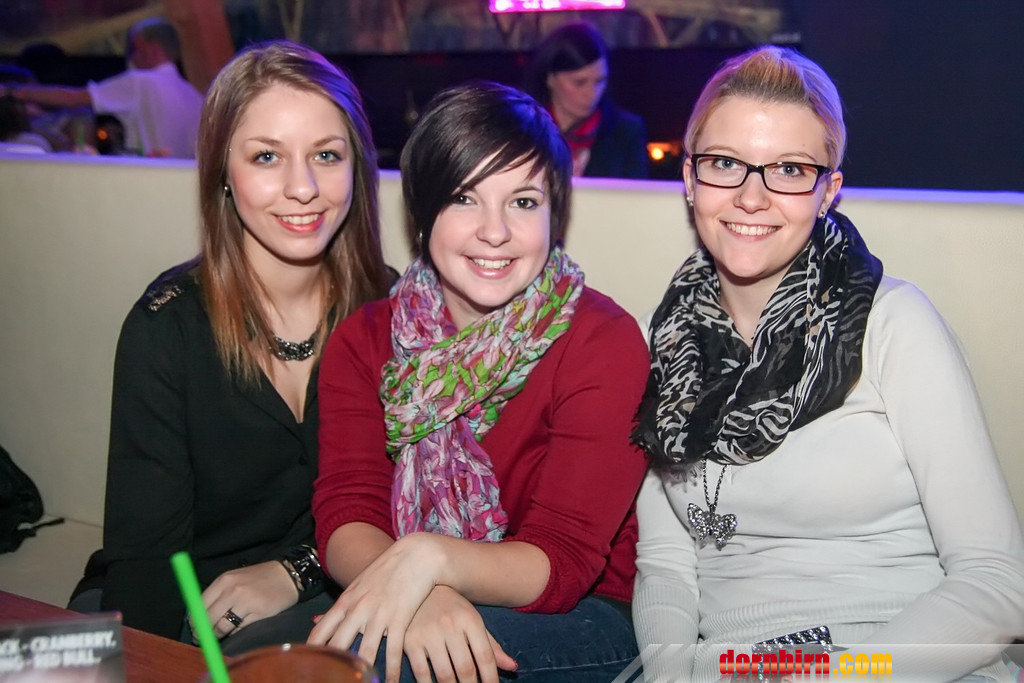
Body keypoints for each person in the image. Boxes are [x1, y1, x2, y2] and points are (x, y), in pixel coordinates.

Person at [631, 45, 1024, 681]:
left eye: (789, 170)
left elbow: (997, 583)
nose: (751, 197)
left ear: (828, 192)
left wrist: (842, 676)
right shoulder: (667, 339)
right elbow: (668, 567)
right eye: (725, 163)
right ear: (690, 178)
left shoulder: (894, 323)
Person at [309, 81, 649, 682]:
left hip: (588, 614)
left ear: (554, 215)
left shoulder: (603, 341)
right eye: (464, 198)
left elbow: (564, 558)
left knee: (375, 668)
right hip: (414, 580)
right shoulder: (364, 340)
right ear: (421, 213)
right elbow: (346, 512)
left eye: (523, 202)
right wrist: (417, 590)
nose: (495, 232)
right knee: (286, 660)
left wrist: (429, 561)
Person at [67, 41, 393, 655]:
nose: (303, 188)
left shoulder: (394, 311)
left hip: (334, 588)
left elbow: (418, 501)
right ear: (222, 170)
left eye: (326, 155)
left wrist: (297, 570)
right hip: (185, 599)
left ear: (357, 166)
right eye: (267, 156)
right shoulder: (168, 326)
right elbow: (147, 558)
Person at [0, 18, 202, 157]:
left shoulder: (141, 81)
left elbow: (73, 98)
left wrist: (13, 91)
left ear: (153, 49)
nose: (131, 57)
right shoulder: (195, 96)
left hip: (146, 180)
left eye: (134, 48)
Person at [525, 20, 648, 179]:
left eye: (600, 81)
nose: (592, 94)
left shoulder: (626, 131)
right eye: (579, 83)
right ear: (550, 78)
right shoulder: (523, 129)